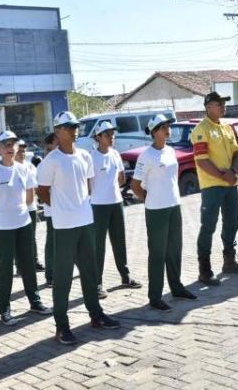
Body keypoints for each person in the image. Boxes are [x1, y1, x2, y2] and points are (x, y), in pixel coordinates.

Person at [37, 111, 120, 345]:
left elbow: (88, 185)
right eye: (68, 127)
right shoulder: (50, 161)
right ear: (57, 131)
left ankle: (96, 314)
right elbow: (43, 192)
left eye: (75, 126)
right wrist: (62, 208)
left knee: (90, 272)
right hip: (63, 226)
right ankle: (61, 325)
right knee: (63, 278)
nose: (74, 130)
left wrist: (78, 206)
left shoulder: (84, 156)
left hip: (86, 222)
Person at [0, 131, 52, 326]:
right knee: (5, 269)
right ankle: (4, 309)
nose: (9, 147)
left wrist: (17, 212)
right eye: (5, 144)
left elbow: (30, 198)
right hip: (3, 228)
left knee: (28, 265)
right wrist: (2, 216)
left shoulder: (24, 169)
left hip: (23, 224)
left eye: (12, 143)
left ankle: (35, 302)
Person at [131, 115, 197, 311]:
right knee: (158, 254)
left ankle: (176, 287)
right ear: (154, 132)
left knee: (175, 250)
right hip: (156, 210)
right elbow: (135, 185)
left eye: (168, 126)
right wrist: (148, 199)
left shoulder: (170, 150)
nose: (167, 129)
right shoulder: (146, 155)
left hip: (173, 206)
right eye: (163, 127)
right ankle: (155, 296)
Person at [190, 91, 238, 286]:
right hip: (212, 185)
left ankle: (229, 260)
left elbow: (236, 152)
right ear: (208, 107)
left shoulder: (226, 127)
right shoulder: (201, 129)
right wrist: (222, 175)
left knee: (232, 222)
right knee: (208, 226)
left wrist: (233, 170)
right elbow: (201, 161)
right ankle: (204, 269)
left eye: (223, 104)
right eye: (219, 104)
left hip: (230, 183)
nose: (223, 107)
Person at [90, 120, 141, 299]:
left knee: (119, 241)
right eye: (108, 134)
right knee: (99, 246)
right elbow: (88, 184)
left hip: (116, 203)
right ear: (98, 137)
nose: (112, 137)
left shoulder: (115, 154)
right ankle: (97, 282)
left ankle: (125, 276)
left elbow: (120, 179)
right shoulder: (91, 157)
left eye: (113, 133)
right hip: (98, 206)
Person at [15, 139, 45, 272]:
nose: (21, 153)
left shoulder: (30, 166)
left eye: (23, 151)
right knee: (19, 239)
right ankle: (20, 265)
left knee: (31, 236)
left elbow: (36, 185)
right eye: (19, 150)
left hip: (31, 207)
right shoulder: (12, 167)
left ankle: (34, 260)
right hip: (18, 210)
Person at [40, 133, 58, 287]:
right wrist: (54, 206)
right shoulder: (46, 164)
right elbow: (43, 192)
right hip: (53, 211)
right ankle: (50, 275)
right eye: (56, 142)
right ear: (50, 145)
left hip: (66, 212)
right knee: (52, 243)